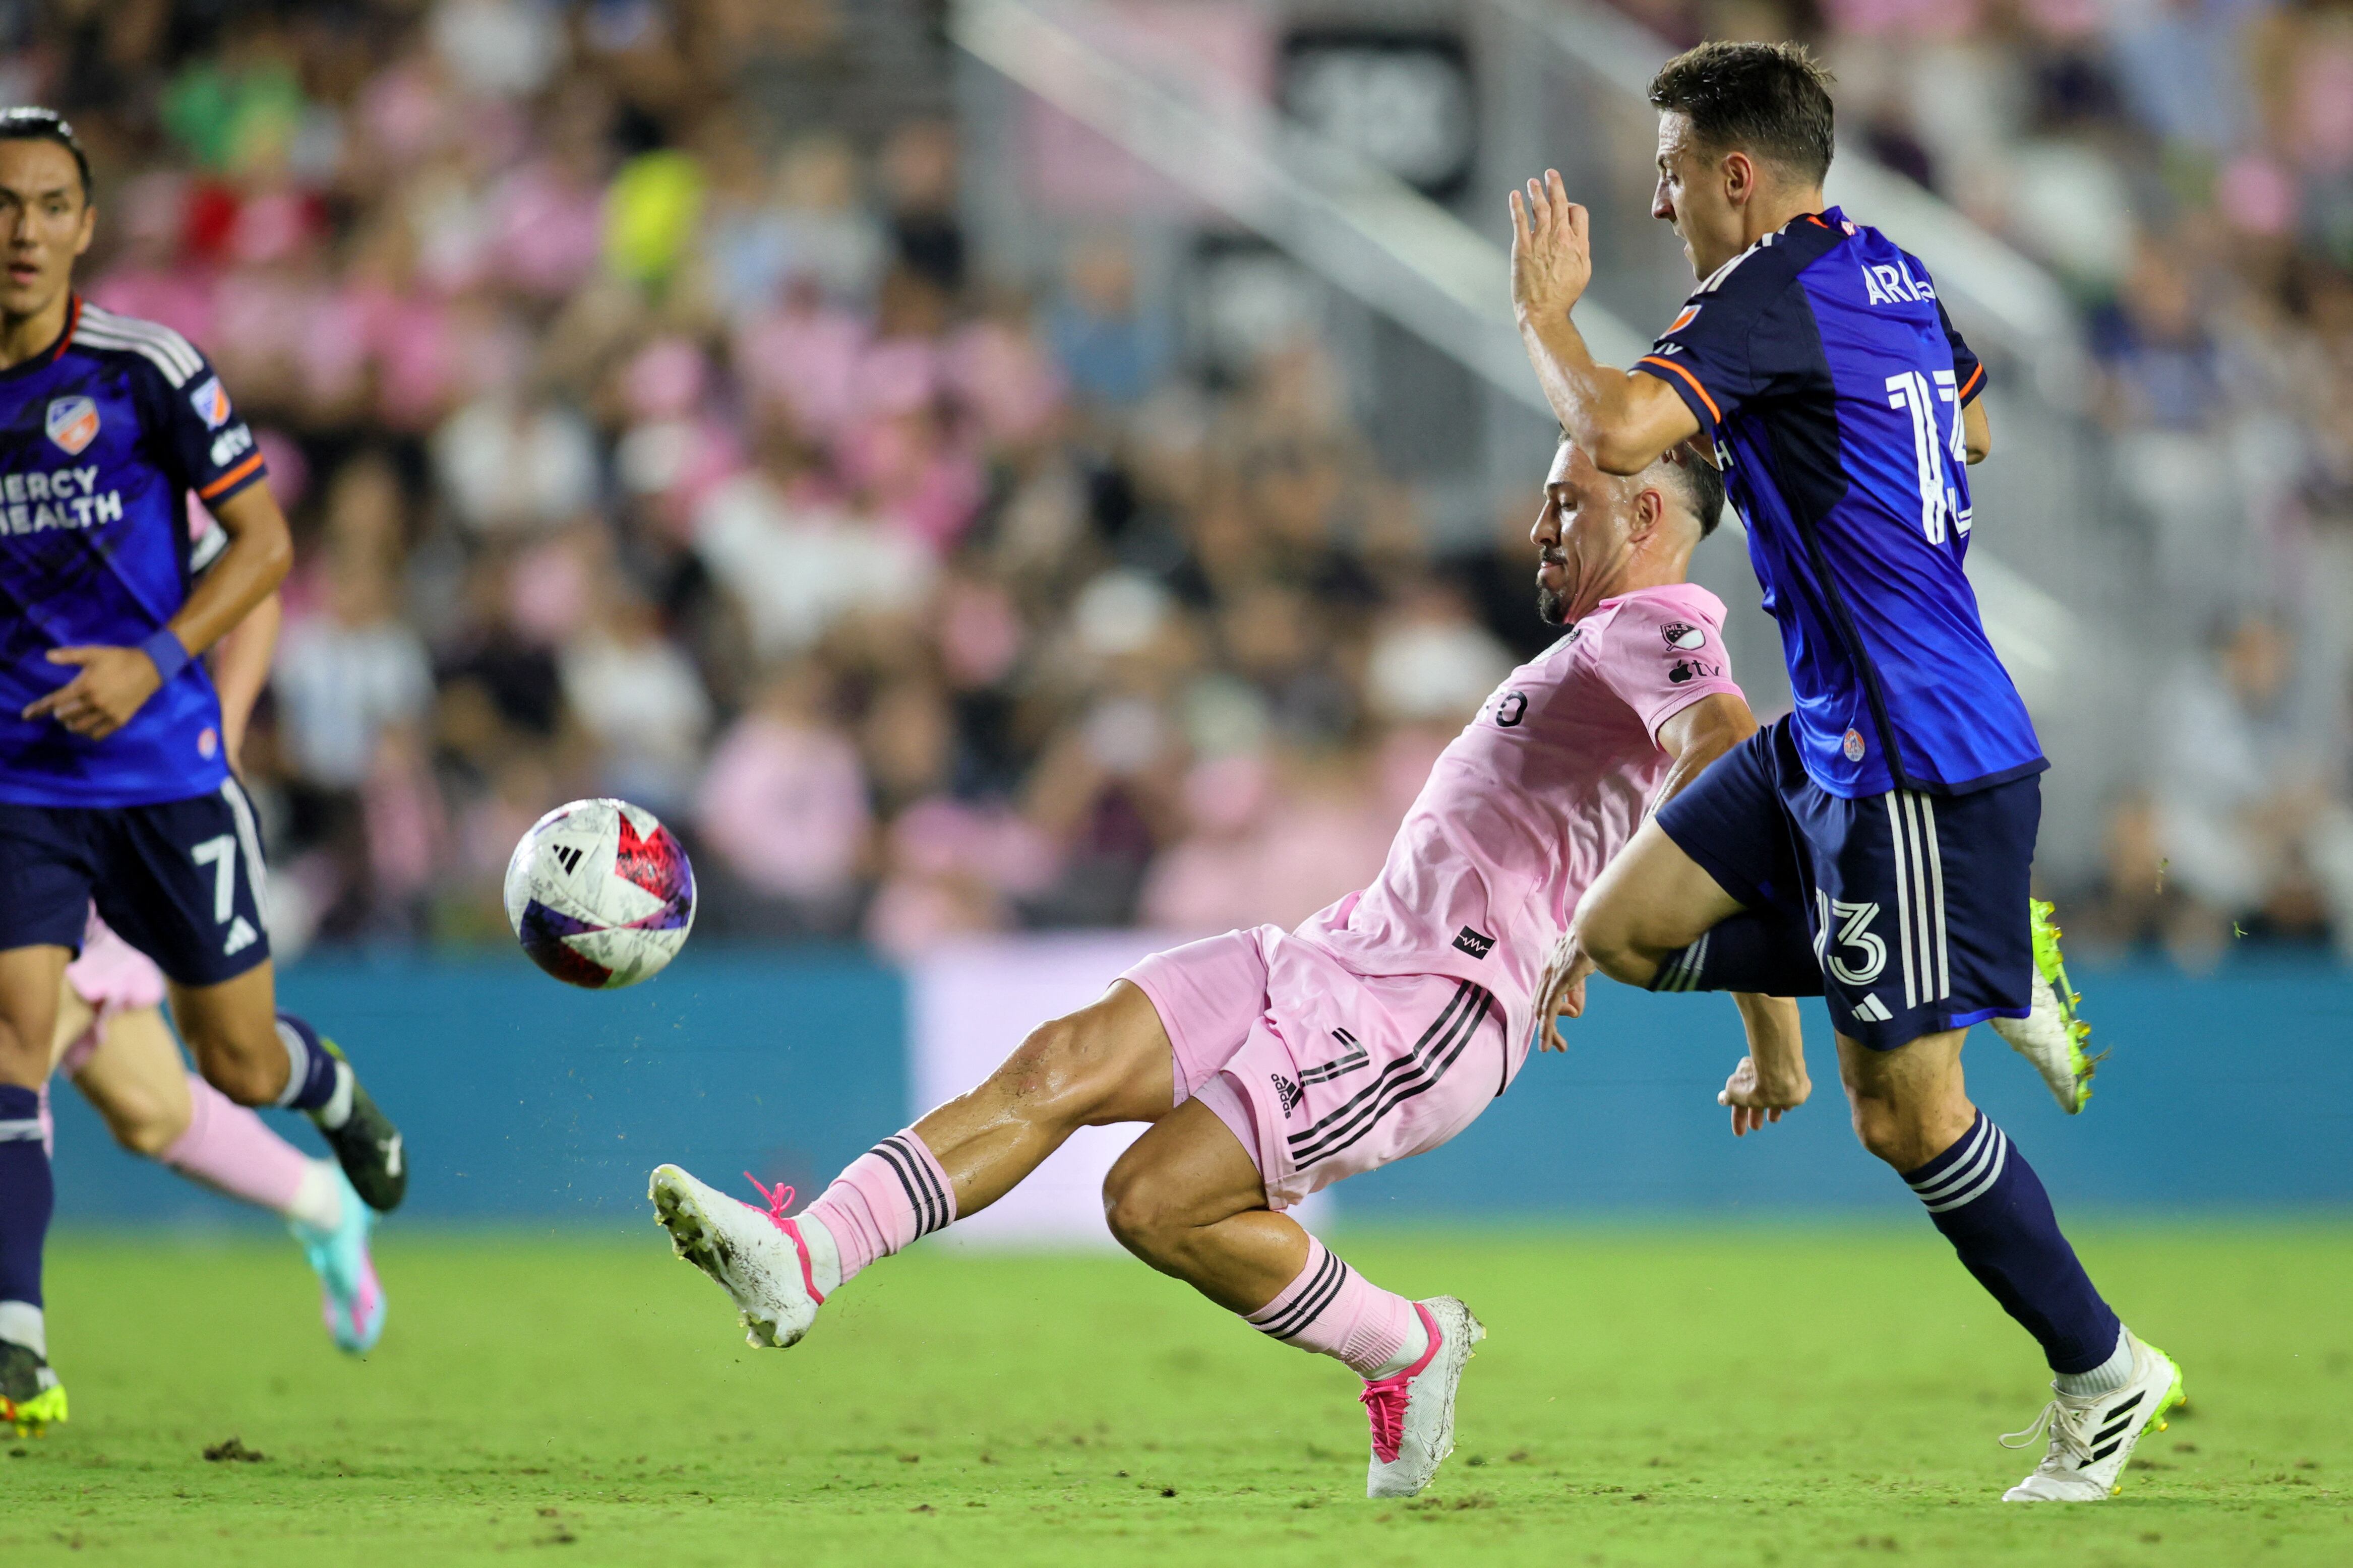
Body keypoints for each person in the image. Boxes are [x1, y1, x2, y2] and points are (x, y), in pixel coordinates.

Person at [647, 431, 1804, 1499]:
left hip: (1423, 1009)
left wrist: (1766, 1038)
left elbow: (1730, 780)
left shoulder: (1659, 624)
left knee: (1151, 1200)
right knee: (1061, 1059)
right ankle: (805, 1258)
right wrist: (1587, 912)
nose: (1541, 527)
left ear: (1647, 510)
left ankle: (1406, 1340)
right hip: (1330, 949)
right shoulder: (1608, 647)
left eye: (1566, 502)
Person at [1505, 42, 2178, 1501]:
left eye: (1674, 170)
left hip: (1919, 756)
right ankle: (1970, 963)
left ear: (1736, 175)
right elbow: (1973, 426)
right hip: (1835, 730)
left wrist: (1546, 320)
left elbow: (1615, 428)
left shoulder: (1755, 293)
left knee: (1903, 1118)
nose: (1659, 194)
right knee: (1619, 931)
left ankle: (2104, 1369)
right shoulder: (1889, 273)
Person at [0, 110, 405, 1435]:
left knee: (214, 1076)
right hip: (20, 789)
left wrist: (171, 680)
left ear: (86, 225)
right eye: (2, 204)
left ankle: (325, 1105)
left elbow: (264, 555)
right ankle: (16, 1345)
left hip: (160, 784)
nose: (21, 231)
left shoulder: (146, 372)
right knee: (23, 1043)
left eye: (50, 205)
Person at [38, 567, 384, 1360]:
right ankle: (324, 1201)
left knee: (20, 1050)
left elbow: (250, 574)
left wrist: (217, 743)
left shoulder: (118, 460)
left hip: (98, 816)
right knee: (150, 1109)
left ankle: (13, 1330)